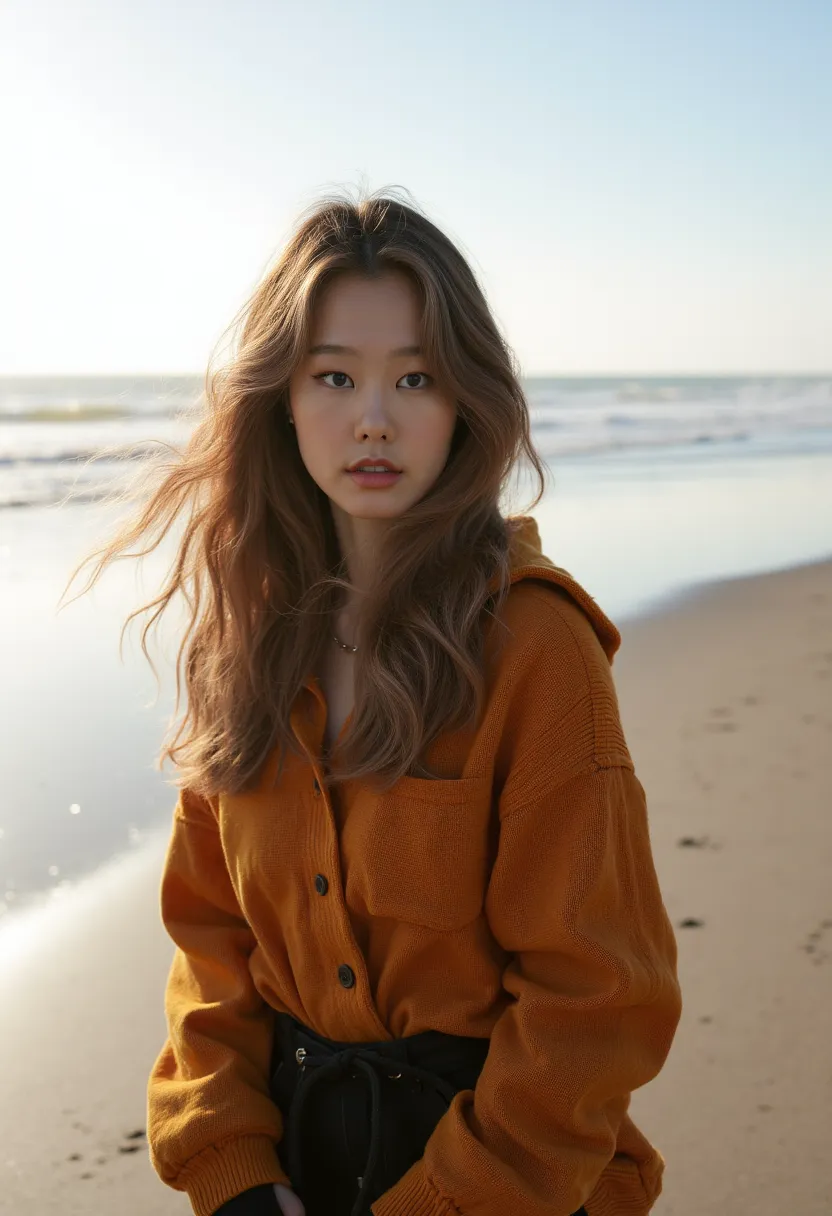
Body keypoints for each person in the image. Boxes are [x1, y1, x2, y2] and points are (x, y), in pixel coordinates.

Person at [67, 186, 682, 1216]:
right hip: (294, 1166)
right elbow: (212, 954)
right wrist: (231, 1171)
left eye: (416, 377)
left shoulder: (536, 650)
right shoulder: (244, 646)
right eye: (335, 376)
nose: (374, 418)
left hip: (506, 1181)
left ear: (464, 402)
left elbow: (596, 1000)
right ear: (282, 399)